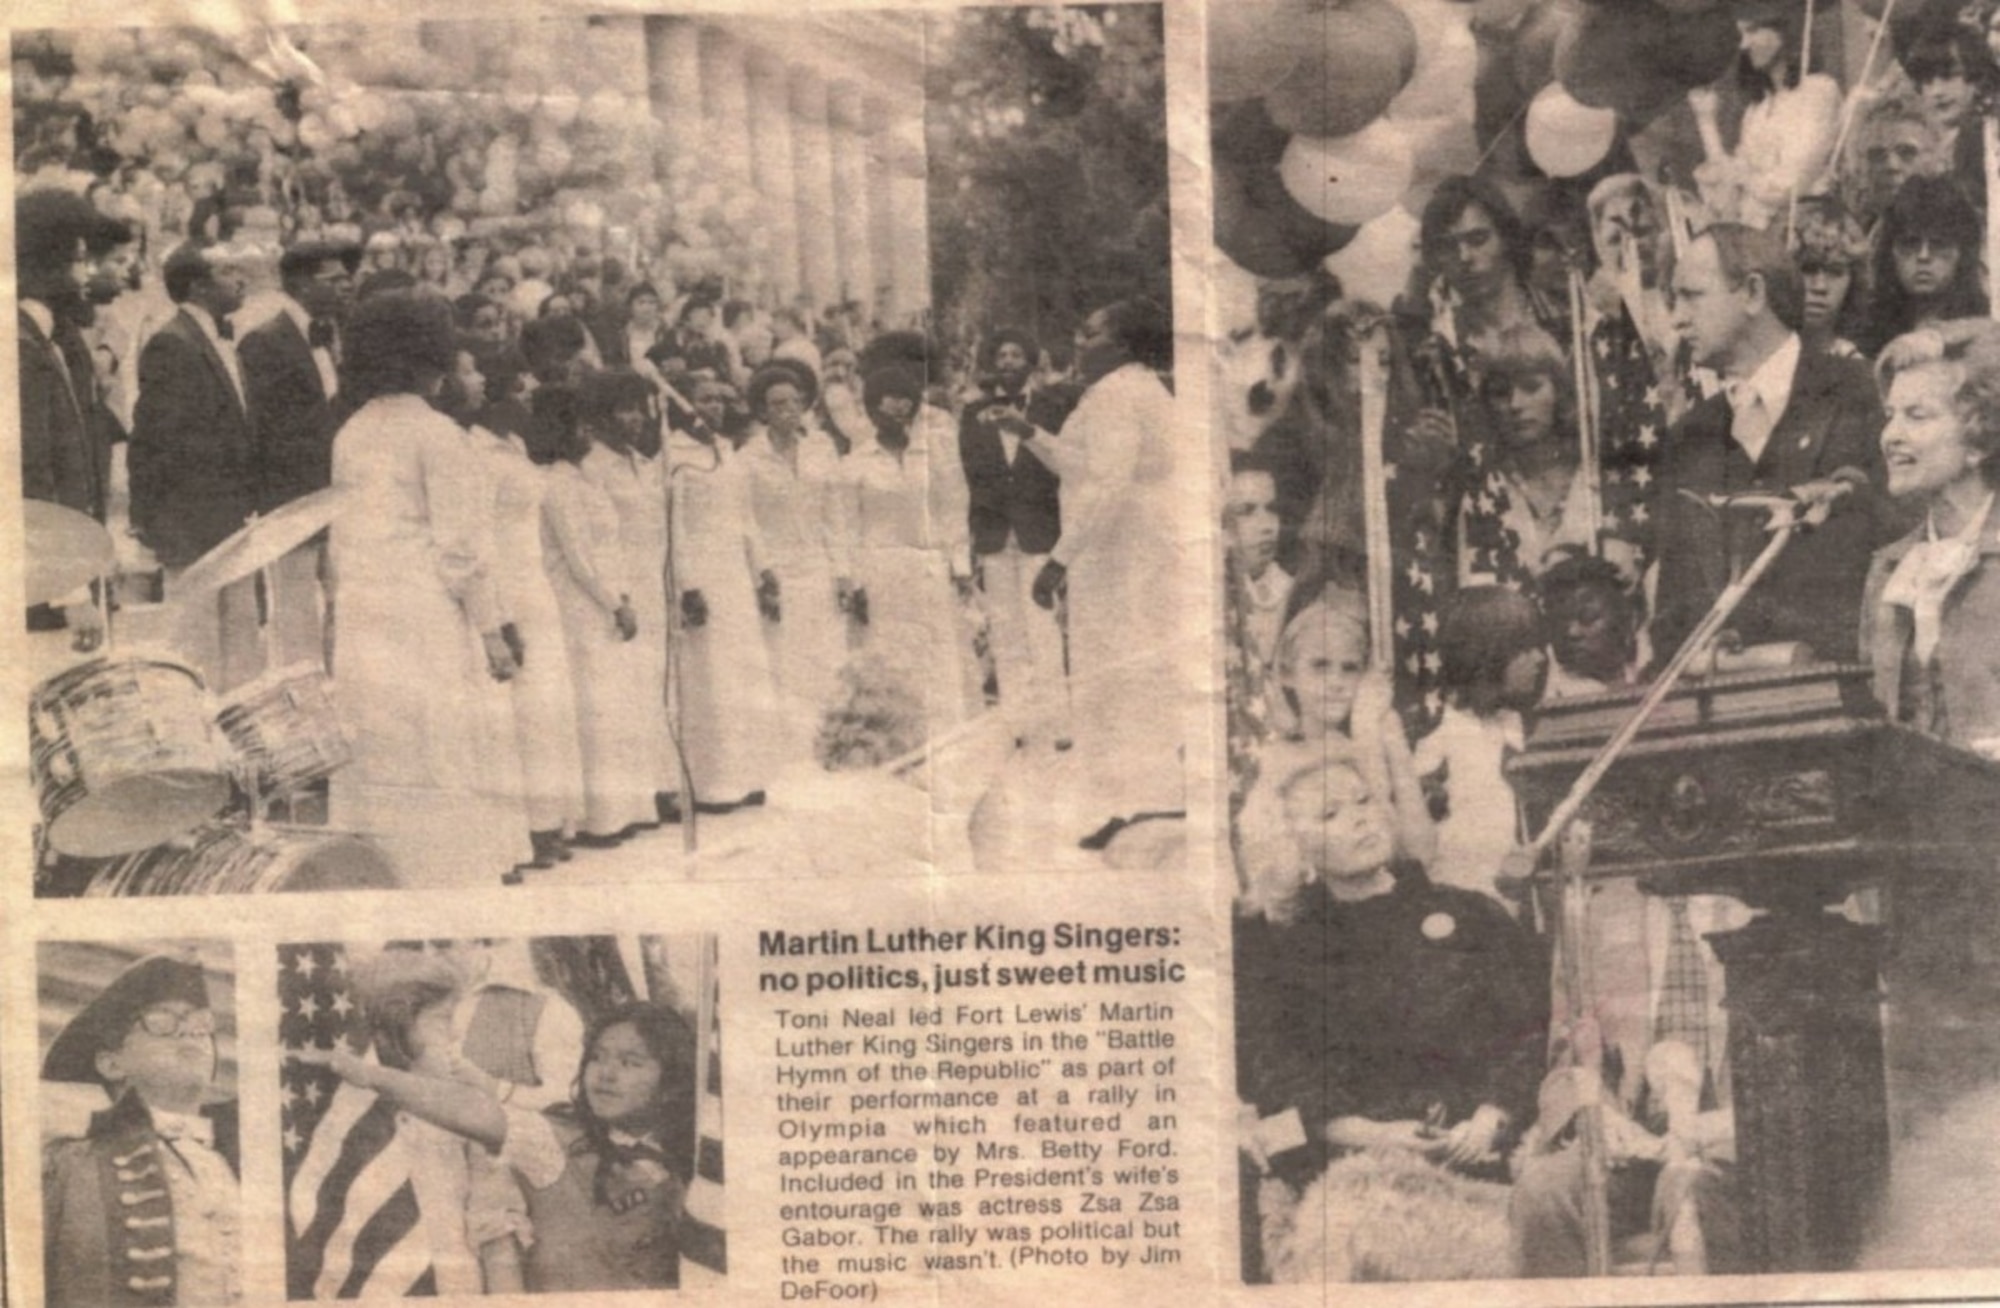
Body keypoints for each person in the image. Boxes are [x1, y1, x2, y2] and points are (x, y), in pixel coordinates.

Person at [1234, 751, 1546, 1283]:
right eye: (1330, 814)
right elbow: (1274, 1083)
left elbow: (1533, 1030)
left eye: (1363, 801)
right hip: (1355, 1167)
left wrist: (1493, 1115)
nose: (1359, 818)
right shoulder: (1280, 950)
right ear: (1293, 846)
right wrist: (1373, 1135)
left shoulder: (1471, 914)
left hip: (1490, 1151)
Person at [327, 290, 531, 888]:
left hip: (364, 611)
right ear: (428, 357)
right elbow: (461, 552)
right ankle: (444, 880)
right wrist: (492, 631)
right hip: (422, 611)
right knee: (434, 747)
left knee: (378, 752)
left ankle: (383, 880)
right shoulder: (439, 435)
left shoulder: (351, 433)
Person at [302, 997, 695, 1293]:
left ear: (670, 1082)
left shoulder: (691, 1157)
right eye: (597, 1058)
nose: (606, 1074)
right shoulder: (554, 1141)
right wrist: (371, 1075)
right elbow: (471, 1109)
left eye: (630, 1063)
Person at [1655, 223, 1890, 665]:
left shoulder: (1862, 394)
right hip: (1725, 711)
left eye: (1692, 295)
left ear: (1753, 293)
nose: (1677, 319)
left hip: (1847, 695)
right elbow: (1672, 614)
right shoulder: (1688, 437)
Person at [995, 298, 1184, 847]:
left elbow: (1109, 484)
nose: (1078, 340)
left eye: (1091, 331)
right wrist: (1028, 432)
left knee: (1124, 673)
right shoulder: (1124, 389)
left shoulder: (1118, 395)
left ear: (1122, 345)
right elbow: (1087, 467)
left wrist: (1058, 560)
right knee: (1123, 672)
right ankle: (1134, 799)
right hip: (1127, 546)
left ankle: (1143, 802)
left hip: (1127, 551)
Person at [448, 345, 585, 869]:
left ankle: (551, 821)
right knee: (521, 714)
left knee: (548, 710)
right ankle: (528, 830)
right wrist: (499, 612)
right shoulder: (477, 453)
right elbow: (478, 534)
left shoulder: (514, 445)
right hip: (505, 587)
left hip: (535, 584)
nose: (529, 398)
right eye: (521, 389)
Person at [42, 952, 241, 1307]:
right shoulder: (68, 1166)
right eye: (162, 1021)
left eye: (200, 1023)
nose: (189, 1031)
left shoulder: (240, 1159)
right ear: (112, 1063)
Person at [1862, 319, 2000, 756]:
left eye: (1917, 416)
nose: (1891, 436)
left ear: (1981, 437)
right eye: (1890, 416)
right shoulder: (1889, 569)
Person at [129, 241, 261, 692]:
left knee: (240, 645)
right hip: (192, 525)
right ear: (198, 286)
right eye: (228, 272)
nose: (241, 279)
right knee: (196, 649)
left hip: (229, 520)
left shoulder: (218, 338)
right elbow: (155, 442)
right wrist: (156, 525)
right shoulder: (172, 342)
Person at [533, 385, 649, 846]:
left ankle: (621, 810)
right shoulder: (558, 482)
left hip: (604, 599)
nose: (585, 433)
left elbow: (607, 546)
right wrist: (613, 602)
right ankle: (596, 818)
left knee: (612, 706)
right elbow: (577, 557)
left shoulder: (587, 478)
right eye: (577, 425)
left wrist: (621, 595)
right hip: (578, 604)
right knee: (591, 706)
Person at [237, 239, 359, 669]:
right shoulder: (264, 342)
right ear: (303, 285)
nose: (348, 286)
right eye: (336, 280)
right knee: (295, 614)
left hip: (336, 494)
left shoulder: (334, 334)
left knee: (342, 605)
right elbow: (266, 431)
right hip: (293, 499)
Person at [845, 364, 981, 731]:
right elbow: (849, 527)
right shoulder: (855, 464)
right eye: (890, 410)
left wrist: (960, 565)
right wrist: (857, 582)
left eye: (908, 408)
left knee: (938, 654)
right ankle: (900, 742)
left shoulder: (932, 454)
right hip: (881, 573)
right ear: (873, 411)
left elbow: (953, 507)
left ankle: (946, 739)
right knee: (892, 657)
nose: (900, 417)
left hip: (929, 566)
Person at [668, 374, 777, 812]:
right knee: (710, 676)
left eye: (719, 399)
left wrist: (763, 567)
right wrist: (688, 584)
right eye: (704, 399)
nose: (713, 406)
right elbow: (676, 528)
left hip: (735, 573)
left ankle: (747, 776)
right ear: (685, 404)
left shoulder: (726, 450)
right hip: (703, 574)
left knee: (742, 672)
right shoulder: (676, 455)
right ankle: (712, 785)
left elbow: (745, 516)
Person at [737, 363, 851, 766]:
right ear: (762, 410)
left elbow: (835, 513)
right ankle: (793, 753)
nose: (788, 410)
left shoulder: (821, 446)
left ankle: (830, 746)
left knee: (826, 655)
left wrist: (842, 572)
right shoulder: (748, 457)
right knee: (784, 659)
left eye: (795, 402)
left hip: (819, 566)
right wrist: (763, 574)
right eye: (777, 404)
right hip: (777, 572)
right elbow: (746, 522)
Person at [960, 327, 1071, 737]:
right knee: (1005, 629)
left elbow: (1059, 467)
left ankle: (1059, 722)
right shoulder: (973, 414)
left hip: (1038, 531)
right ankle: (1017, 725)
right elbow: (970, 473)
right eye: (1001, 356)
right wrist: (976, 531)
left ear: (1029, 362)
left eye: (1015, 355)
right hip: (994, 535)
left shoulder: (1050, 407)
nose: (1008, 362)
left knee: (1043, 626)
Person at [579, 369, 678, 826]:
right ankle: (637, 796)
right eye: (623, 408)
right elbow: (597, 540)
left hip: (655, 587)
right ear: (600, 416)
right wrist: (616, 596)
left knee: (659, 688)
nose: (634, 418)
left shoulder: (643, 462)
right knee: (628, 692)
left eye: (639, 407)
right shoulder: (593, 467)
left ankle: (662, 785)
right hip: (620, 591)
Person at [1413, 586, 1548, 904]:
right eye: (1525, 648)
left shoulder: (1519, 726)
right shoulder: (1436, 737)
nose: (1540, 658)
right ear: (1489, 652)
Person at [1458, 324, 1598, 588]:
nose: (1515, 405)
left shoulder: (1595, 479)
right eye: (1501, 393)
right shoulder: (1484, 493)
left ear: (1560, 392)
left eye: (1531, 387)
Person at [1688, 0, 1840, 229]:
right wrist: (1706, 120)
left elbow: (1788, 185)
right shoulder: (1757, 111)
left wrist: (1742, 177)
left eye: (1753, 30)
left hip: (1804, 232)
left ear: (1784, 31)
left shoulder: (1818, 91)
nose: (1744, 45)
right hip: (1759, 233)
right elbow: (1729, 193)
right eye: (1741, 34)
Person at [1858, 176, 1988, 357]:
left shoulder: (1987, 327)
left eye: (1939, 244)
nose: (1923, 256)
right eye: (1910, 244)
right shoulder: (1865, 328)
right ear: (1891, 252)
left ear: (1962, 254)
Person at [1540, 551, 1646, 698]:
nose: (1571, 632)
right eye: (1560, 621)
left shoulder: (1655, 675)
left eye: (1587, 617)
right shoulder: (1550, 695)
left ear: (1626, 619)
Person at [1787, 198, 1871, 360]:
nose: (1820, 287)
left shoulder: (1853, 365)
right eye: (1808, 269)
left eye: (1835, 272)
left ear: (1853, 282)